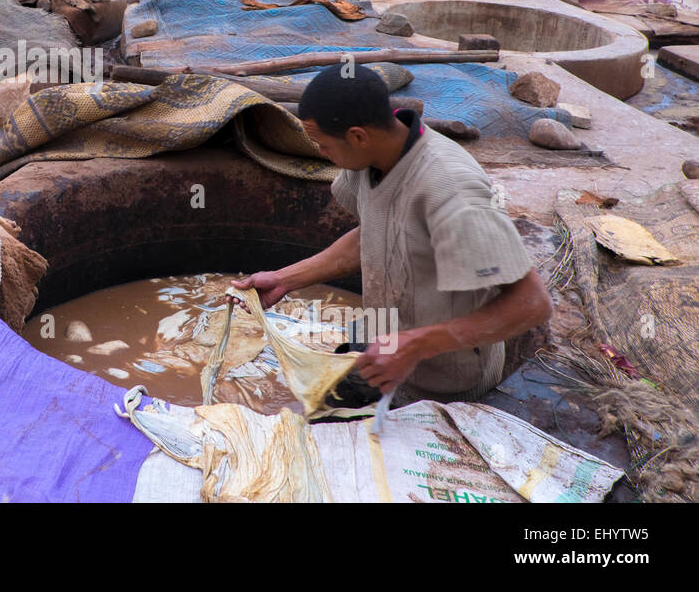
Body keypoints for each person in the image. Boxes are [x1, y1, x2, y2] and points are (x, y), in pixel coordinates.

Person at [231, 63, 552, 406]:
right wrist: (284, 279)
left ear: (358, 136)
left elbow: (531, 304)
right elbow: (371, 236)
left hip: (442, 385)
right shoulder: (372, 158)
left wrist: (413, 345)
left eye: (322, 145)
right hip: (382, 340)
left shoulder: (453, 192)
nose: (322, 154)